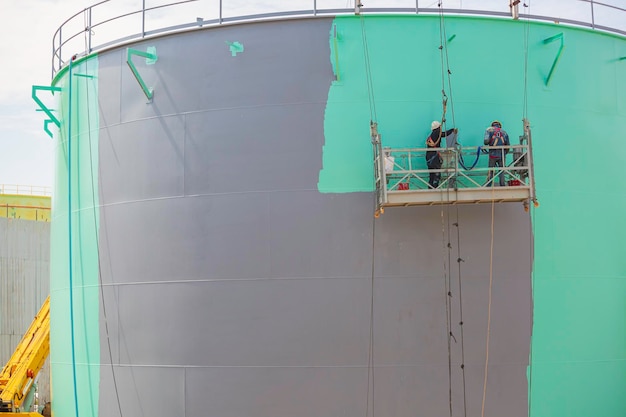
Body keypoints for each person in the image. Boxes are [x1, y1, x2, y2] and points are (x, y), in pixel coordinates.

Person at [425, 120, 457, 189]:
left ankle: (430, 188)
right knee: (437, 173)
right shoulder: (436, 132)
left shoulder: (432, 134)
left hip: (429, 156)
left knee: (432, 175)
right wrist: (452, 130)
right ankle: (435, 187)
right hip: (433, 156)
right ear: (438, 127)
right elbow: (443, 134)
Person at [483, 120, 510, 186]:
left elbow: (486, 142)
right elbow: (508, 145)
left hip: (492, 154)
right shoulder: (504, 132)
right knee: (501, 171)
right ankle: (502, 185)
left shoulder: (489, 130)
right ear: (500, 125)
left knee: (491, 170)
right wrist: (505, 153)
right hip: (502, 154)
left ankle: (489, 185)